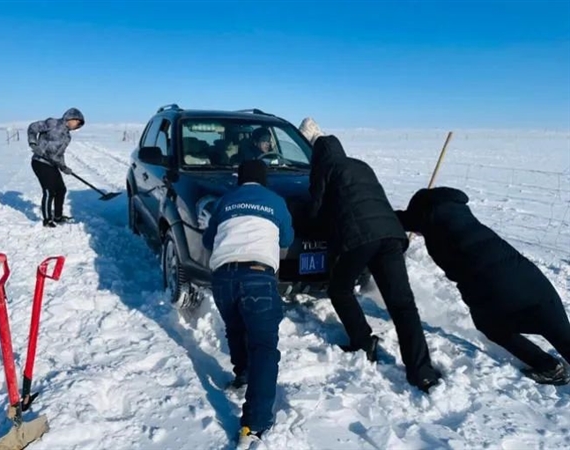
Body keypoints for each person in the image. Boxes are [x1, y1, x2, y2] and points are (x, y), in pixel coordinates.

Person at [396, 186, 570, 385]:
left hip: (494, 288)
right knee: (558, 330)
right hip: (531, 279)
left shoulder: (433, 224)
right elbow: (412, 218)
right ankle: (551, 365)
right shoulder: (461, 215)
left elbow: (400, 220)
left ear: (422, 212)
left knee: (491, 326)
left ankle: (548, 366)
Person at [309, 135, 441, 393]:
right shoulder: (361, 165)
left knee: (340, 289)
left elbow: (316, 209)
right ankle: (422, 371)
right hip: (391, 233)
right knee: (403, 304)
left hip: (358, 237)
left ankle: (362, 342)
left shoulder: (324, 170)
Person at [202, 159, 294, 447]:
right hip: (258, 275)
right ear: (263, 180)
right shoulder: (276, 201)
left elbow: (208, 240)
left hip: (223, 278)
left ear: (239, 180)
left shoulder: (225, 201)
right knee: (264, 346)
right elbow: (287, 238)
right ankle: (253, 424)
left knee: (235, 326)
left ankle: (242, 372)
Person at [27, 108, 85, 227]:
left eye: (79, 124)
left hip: (52, 164)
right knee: (49, 191)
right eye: (77, 122)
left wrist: (64, 167)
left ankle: (58, 217)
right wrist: (33, 143)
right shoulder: (52, 123)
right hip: (40, 161)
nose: (77, 125)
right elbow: (32, 127)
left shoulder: (67, 137)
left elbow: (59, 154)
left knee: (61, 190)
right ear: (70, 118)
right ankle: (47, 220)